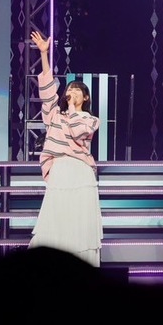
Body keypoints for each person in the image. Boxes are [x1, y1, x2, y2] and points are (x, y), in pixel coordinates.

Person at [27, 27, 103, 265]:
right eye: (69, 89)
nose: (72, 92)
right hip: (60, 170)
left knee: (79, 222)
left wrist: (71, 110)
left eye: (77, 90)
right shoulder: (55, 116)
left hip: (81, 171)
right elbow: (47, 92)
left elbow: (77, 130)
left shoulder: (91, 120)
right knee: (57, 220)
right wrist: (44, 54)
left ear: (85, 98)